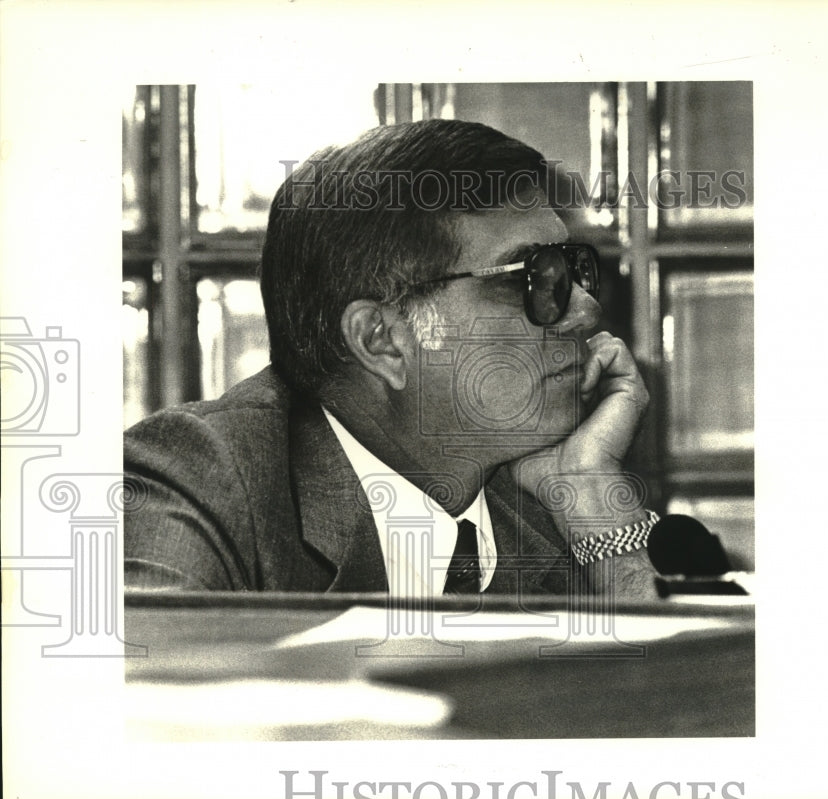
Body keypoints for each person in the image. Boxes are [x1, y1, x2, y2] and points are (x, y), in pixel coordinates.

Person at [124, 119, 660, 598]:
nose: (586, 310)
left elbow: (670, 705)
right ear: (381, 340)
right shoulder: (201, 478)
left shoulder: (545, 500)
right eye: (530, 277)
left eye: (570, 269)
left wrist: (588, 489)